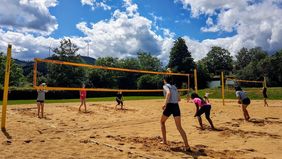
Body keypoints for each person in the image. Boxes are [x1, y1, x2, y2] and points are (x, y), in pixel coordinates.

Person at [160, 76, 191, 152]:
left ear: (164, 80)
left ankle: (164, 141)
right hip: (176, 106)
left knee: (162, 122)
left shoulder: (165, 86)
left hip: (170, 106)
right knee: (179, 127)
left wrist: (165, 104)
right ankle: (187, 146)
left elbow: (168, 93)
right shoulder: (174, 87)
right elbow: (179, 99)